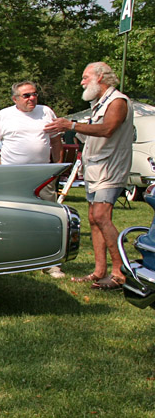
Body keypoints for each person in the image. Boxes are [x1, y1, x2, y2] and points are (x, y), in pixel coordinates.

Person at [44, 62, 133, 290]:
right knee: (93, 218)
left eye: (85, 77)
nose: (82, 82)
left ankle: (119, 272)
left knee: (102, 216)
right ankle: (99, 270)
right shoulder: (99, 104)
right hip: (95, 167)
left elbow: (108, 129)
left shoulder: (117, 102)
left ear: (100, 77)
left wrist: (72, 125)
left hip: (110, 168)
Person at [0, 80, 65, 277]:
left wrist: (56, 169)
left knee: (49, 218)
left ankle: (50, 262)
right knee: (10, 218)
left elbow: (56, 142)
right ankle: (10, 258)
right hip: (12, 176)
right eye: (26, 95)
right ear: (15, 99)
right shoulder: (4, 116)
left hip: (43, 175)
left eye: (34, 94)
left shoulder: (46, 112)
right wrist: (0, 172)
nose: (32, 98)